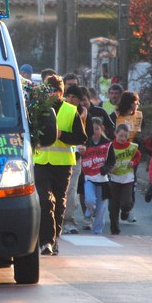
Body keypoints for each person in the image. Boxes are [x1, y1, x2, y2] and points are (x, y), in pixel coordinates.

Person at [33, 75, 87, 256]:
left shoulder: (71, 111)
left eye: (54, 91)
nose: (51, 94)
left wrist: (61, 134)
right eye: (48, 90)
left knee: (59, 203)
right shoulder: (37, 109)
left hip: (63, 165)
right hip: (40, 162)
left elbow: (81, 138)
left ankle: (54, 240)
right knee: (45, 201)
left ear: (61, 92)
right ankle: (46, 241)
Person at [62, 84, 92, 235]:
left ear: (80, 100)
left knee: (71, 192)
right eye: (69, 96)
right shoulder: (59, 110)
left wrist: (84, 146)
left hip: (75, 158)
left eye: (74, 97)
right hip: (58, 157)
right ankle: (56, 220)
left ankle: (69, 221)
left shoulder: (84, 114)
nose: (71, 99)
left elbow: (88, 135)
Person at [78, 117, 116, 234]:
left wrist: (106, 168)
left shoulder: (107, 144)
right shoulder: (85, 143)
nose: (94, 131)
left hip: (103, 179)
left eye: (97, 129)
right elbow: (78, 156)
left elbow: (112, 161)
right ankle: (89, 211)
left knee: (101, 208)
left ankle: (97, 231)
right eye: (92, 129)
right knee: (89, 200)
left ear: (102, 129)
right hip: (88, 178)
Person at [108, 124, 141, 235]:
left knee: (126, 202)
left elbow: (138, 155)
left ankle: (125, 211)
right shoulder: (110, 146)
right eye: (120, 136)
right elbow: (104, 160)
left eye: (125, 136)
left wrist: (133, 162)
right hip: (113, 179)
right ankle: (115, 228)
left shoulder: (131, 147)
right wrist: (109, 168)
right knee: (113, 205)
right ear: (115, 134)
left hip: (127, 179)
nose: (122, 139)